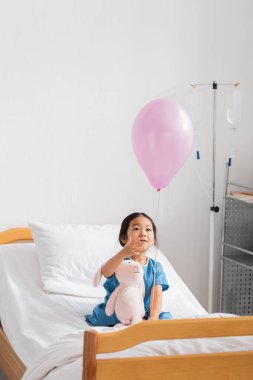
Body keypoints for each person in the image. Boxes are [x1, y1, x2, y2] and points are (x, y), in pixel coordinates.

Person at [85, 212, 171, 326]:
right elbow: (106, 272)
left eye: (148, 230)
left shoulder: (156, 267)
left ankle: (141, 320)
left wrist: (154, 317)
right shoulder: (121, 262)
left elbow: (156, 294)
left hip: (143, 312)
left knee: (166, 321)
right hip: (119, 310)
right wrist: (122, 253)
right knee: (108, 319)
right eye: (136, 228)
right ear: (124, 238)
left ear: (153, 240)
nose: (143, 233)